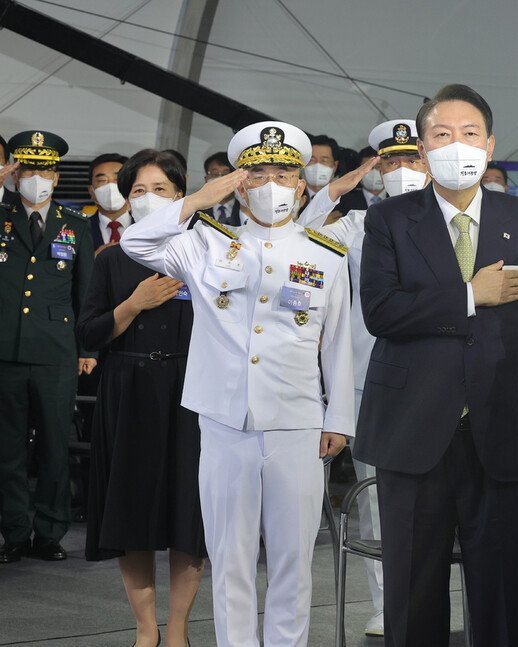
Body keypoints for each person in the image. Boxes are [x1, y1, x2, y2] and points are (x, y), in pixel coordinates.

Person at [120, 121, 355, 647]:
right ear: (240, 182)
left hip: (298, 423)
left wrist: (339, 418)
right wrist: (199, 199)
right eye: (258, 172)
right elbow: (134, 240)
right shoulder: (204, 243)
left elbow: (338, 342)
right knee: (230, 558)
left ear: (301, 184)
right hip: (225, 422)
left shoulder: (325, 254)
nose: (273, 182)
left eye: (285, 171)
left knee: (294, 559)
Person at [354, 84, 518, 647]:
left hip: (500, 425)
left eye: (469, 134)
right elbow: (381, 311)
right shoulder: (390, 221)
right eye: (442, 135)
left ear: (490, 144)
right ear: (422, 149)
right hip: (414, 426)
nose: (457, 145)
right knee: (413, 584)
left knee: (497, 582)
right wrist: (471, 295)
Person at [298, 118, 428, 639]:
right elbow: (300, 238)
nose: (400, 171)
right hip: (369, 376)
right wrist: (333, 191)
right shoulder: (355, 226)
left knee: (440, 499)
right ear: (374, 170)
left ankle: (430, 598)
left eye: (410, 159)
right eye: (389, 162)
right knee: (375, 498)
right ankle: (385, 603)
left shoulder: (457, 218)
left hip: (438, 378)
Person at [79, 149, 205, 647]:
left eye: (160, 190)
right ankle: (144, 628)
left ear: (182, 194)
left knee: (187, 513)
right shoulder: (111, 258)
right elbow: (89, 333)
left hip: (191, 390)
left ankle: (178, 628)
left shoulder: (205, 250)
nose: (148, 200)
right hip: (127, 389)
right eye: (137, 192)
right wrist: (132, 305)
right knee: (129, 510)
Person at [0, 130, 97, 563]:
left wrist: (88, 349)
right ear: (14, 172)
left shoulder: (75, 225)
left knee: (56, 446)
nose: (38, 177)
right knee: (8, 447)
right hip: (4, 350)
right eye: (29, 169)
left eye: (46, 169)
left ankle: (50, 532)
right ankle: (15, 532)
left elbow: (86, 295)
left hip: (58, 351)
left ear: (57, 177)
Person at [86, 153, 131, 253]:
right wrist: (92, 262)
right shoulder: (77, 229)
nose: (110, 185)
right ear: (91, 191)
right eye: (102, 180)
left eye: (117, 179)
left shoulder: (146, 227)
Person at [200, 152, 241, 225]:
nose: (220, 179)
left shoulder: (245, 209)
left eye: (225, 174)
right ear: (206, 180)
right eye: (215, 174)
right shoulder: (197, 211)